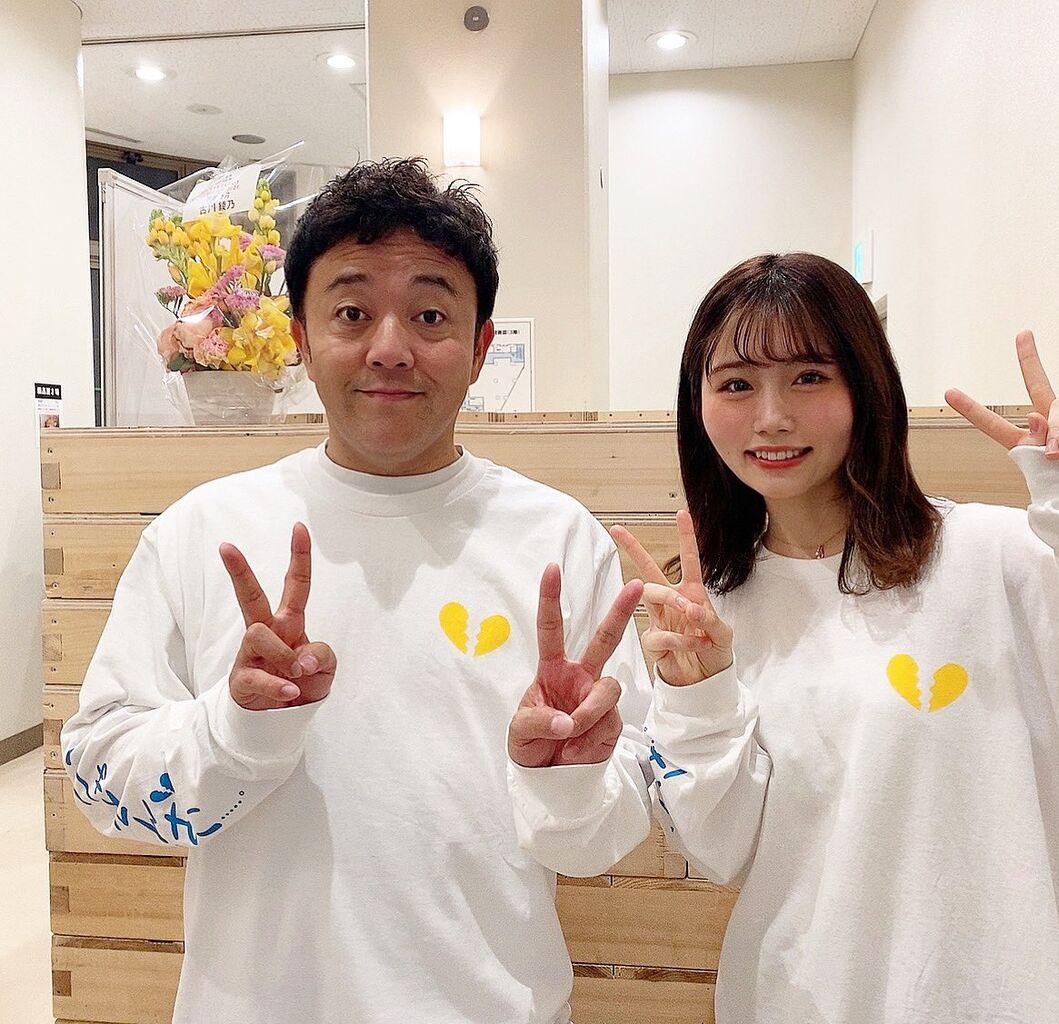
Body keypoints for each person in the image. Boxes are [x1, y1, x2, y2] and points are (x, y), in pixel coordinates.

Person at [61, 157, 652, 1024]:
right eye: (350, 312)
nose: (388, 348)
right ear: (300, 338)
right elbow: (97, 782)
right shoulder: (204, 532)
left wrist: (566, 781)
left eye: (430, 314)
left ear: (481, 347)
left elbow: (610, 830)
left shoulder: (559, 543)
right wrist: (234, 730)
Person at [609, 252, 1059, 1024]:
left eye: (808, 376)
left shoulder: (1002, 560)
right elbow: (719, 850)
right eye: (735, 384)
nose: (771, 416)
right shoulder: (705, 616)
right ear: (697, 405)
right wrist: (699, 695)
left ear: (866, 386)